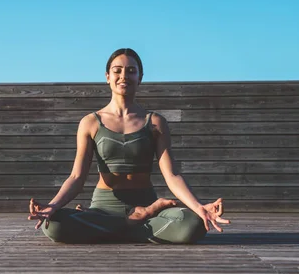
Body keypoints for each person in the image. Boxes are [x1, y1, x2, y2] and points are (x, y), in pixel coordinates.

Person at [28, 48, 230, 244]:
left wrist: (198, 207)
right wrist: (52, 206)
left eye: (131, 71)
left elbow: (172, 175)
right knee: (53, 225)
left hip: (146, 203)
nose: (124, 76)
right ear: (108, 76)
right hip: (104, 208)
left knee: (193, 224)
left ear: (140, 77)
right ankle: (131, 224)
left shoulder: (155, 122)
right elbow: (76, 177)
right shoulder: (90, 122)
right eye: (117, 70)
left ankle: (111, 228)